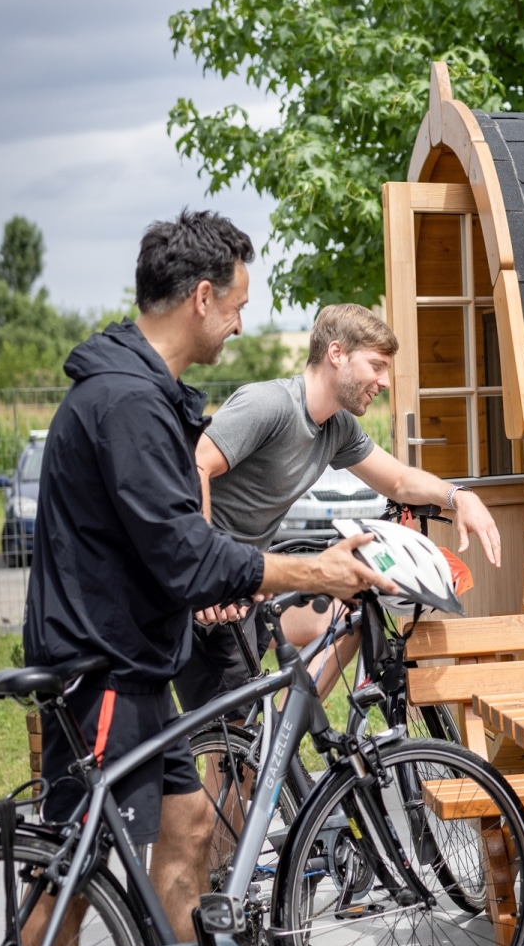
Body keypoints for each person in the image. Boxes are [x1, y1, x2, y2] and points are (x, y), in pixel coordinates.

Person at [16, 210, 389, 946]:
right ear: (201, 296)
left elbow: (176, 547)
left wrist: (265, 569)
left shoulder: (142, 388)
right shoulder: (131, 402)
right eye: (238, 303)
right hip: (98, 669)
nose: (240, 320)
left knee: (188, 824)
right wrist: (314, 570)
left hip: (138, 659)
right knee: (71, 870)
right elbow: (184, 551)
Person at [173, 301, 501, 712]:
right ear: (336, 354)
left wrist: (459, 496)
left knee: (350, 619)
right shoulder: (270, 405)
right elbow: (193, 465)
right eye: (376, 365)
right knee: (230, 754)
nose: (383, 381)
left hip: (248, 578)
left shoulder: (337, 427)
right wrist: (205, 569)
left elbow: (398, 479)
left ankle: (281, 731)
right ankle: (260, 750)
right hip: (205, 590)